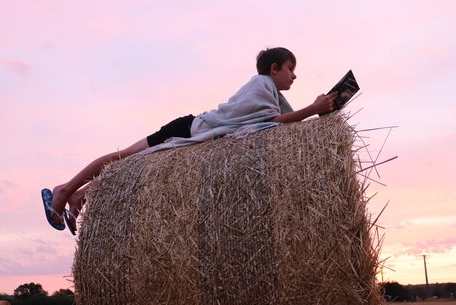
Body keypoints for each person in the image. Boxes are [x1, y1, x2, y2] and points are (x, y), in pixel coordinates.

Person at [42, 47, 337, 234]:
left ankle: (80, 197)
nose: (294, 76)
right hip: (187, 129)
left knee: (129, 167)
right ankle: (65, 190)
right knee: (125, 158)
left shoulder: (271, 96)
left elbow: (275, 124)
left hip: (193, 132)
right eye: (289, 69)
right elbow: (269, 122)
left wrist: (316, 112)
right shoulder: (261, 85)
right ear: (274, 69)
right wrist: (312, 109)